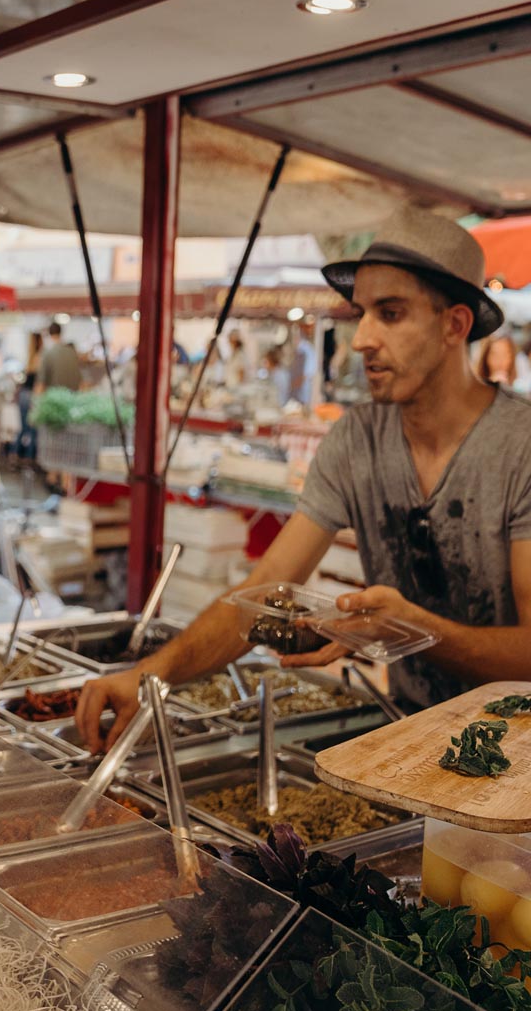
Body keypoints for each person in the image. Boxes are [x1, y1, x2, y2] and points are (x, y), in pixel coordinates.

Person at [77, 205, 531, 750]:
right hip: (410, 734)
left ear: (454, 325)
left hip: (514, 754)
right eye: (360, 312)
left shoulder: (520, 448)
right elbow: (262, 591)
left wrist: (413, 631)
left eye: (389, 313)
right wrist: (151, 675)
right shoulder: (354, 441)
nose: (361, 337)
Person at [34, 322, 82, 393]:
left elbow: (41, 383)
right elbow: (80, 379)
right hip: (73, 398)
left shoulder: (47, 353)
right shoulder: (72, 352)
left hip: (55, 400)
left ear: (49, 333)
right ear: (61, 332)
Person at [289, 319, 318, 406]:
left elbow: (307, 374)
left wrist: (293, 385)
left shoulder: (305, 349)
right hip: (298, 392)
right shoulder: (301, 349)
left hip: (303, 392)